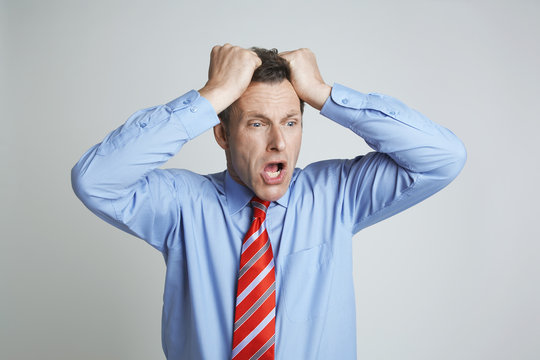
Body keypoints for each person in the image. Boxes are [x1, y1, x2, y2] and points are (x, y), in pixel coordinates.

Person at [71, 44, 466, 359]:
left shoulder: (337, 195)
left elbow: (443, 157)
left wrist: (324, 94)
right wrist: (213, 96)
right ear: (222, 135)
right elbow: (96, 180)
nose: (278, 142)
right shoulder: (181, 206)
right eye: (257, 123)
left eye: (291, 122)